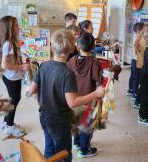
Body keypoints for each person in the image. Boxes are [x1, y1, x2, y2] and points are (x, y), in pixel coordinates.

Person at [29, 29, 105, 162]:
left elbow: (32, 90)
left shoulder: (44, 65)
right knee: (63, 153)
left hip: (44, 115)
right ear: (72, 49)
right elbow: (73, 102)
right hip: (59, 119)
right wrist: (95, 93)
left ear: (52, 47)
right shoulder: (67, 73)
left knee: (49, 148)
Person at [67, 32, 103, 158]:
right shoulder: (94, 63)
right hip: (88, 101)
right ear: (93, 47)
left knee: (76, 123)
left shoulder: (71, 60)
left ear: (77, 47)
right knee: (86, 126)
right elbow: (99, 81)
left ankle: (76, 143)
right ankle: (84, 150)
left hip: (74, 99)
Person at [0, 16, 30, 136]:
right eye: (15, 25)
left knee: (14, 99)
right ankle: (9, 126)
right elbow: (4, 65)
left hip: (11, 76)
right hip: (11, 77)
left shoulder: (10, 43)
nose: (18, 27)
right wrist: (21, 67)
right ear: (8, 29)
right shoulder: (8, 44)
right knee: (14, 100)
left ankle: (6, 122)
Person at [126, 22, 145, 103]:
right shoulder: (137, 39)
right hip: (136, 61)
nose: (144, 32)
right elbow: (135, 51)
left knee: (133, 76)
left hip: (134, 60)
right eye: (143, 31)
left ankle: (130, 90)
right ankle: (135, 94)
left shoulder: (137, 38)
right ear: (138, 31)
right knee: (136, 77)